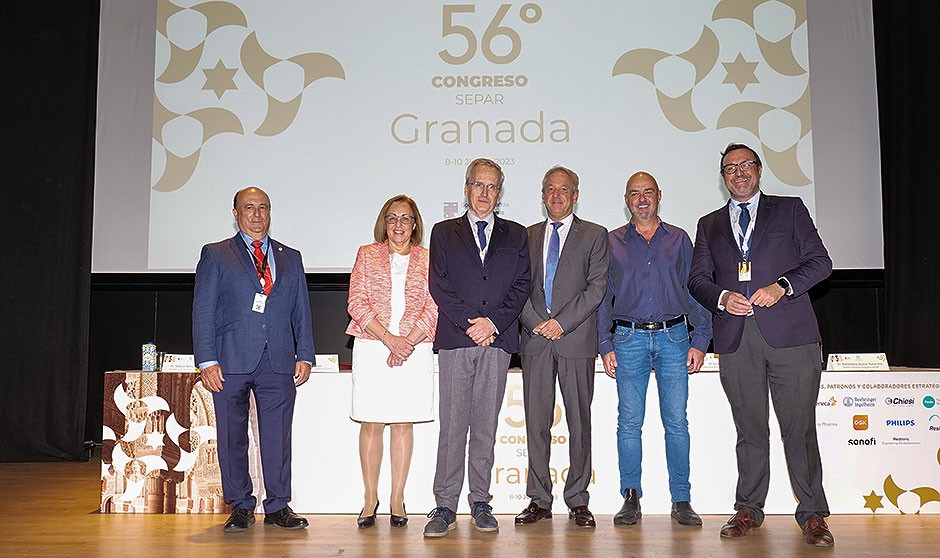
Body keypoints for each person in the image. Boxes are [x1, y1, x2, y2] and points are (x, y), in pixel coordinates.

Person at [689, 143, 834, 547]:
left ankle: (813, 514)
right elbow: (697, 279)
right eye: (729, 168)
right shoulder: (709, 224)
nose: (738, 173)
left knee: (798, 429)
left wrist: (782, 286)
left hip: (790, 337)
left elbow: (821, 263)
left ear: (759, 170)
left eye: (745, 165)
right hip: (736, 339)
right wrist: (721, 298)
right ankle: (749, 508)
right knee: (749, 429)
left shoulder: (790, 210)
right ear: (723, 178)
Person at [192, 186, 315, 533]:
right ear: (236, 213)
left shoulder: (290, 257)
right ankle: (241, 505)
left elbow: (301, 311)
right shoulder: (216, 255)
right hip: (229, 359)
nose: (257, 214)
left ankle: (278, 506)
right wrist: (206, 360)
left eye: (263, 207)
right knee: (232, 436)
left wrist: (304, 352)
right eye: (249, 208)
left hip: (278, 359)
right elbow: (203, 310)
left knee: (277, 436)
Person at [597, 171, 712, 527]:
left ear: (659, 195)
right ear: (626, 199)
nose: (642, 199)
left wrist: (701, 338)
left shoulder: (679, 239)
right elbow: (603, 297)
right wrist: (604, 343)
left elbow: (695, 288)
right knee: (629, 423)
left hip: (674, 338)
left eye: (648, 192)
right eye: (635, 193)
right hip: (627, 339)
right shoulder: (612, 241)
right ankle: (630, 497)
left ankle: (681, 499)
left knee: (676, 422)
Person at [424, 158, 531, 537]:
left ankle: (481, 501)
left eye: (492, 187)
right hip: (457, 340)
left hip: (497, 342)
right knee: (453, 427)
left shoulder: (517, 235)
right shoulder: (443, 232)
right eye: (478, 185)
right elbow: (439, 284)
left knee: (485, 425)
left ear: (499, 193)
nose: (485, 193)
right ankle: (444, 506)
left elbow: (521, 286)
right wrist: (472, 324)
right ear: (466, 188)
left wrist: (494, 324)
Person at [515, 166, 609, 528]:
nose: (556, 195)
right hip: (536, 340)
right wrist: (536, 321)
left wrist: (561, 322)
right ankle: (539, 500)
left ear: (575, 195)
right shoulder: (526, 236)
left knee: (579, 423)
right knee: (536, 424)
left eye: (564, 189)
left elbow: (596, 287)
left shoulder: (595, 235)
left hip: (575, 340)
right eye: (550, 190)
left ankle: (578, 500)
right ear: (542, 195)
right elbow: (517, 287)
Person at [346, 195, 438, 529]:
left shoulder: (429, 259)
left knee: (403, 422)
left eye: (405, 218)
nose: (398, 225)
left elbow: (434, 306)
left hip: (414, 349)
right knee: (371, 422)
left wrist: (407, 342)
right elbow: (356, 302)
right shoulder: (367, 254)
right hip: (373, 346)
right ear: (384, 223)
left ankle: (397, 498)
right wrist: (390, 339)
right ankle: (370, 499)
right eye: (392, 218)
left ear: (416, 224)